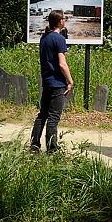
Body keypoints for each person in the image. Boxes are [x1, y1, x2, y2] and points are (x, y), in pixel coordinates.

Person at [31, 10, 74, 153]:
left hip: (47, 81)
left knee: (42, 114)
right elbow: (62, 64)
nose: (65, 20)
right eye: (64, 18)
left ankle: (34, 144)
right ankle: (52, 149)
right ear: (60, 21)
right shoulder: (59, 39)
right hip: (57, 83)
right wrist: (70, 80)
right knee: (54, 117)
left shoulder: (44, 37)